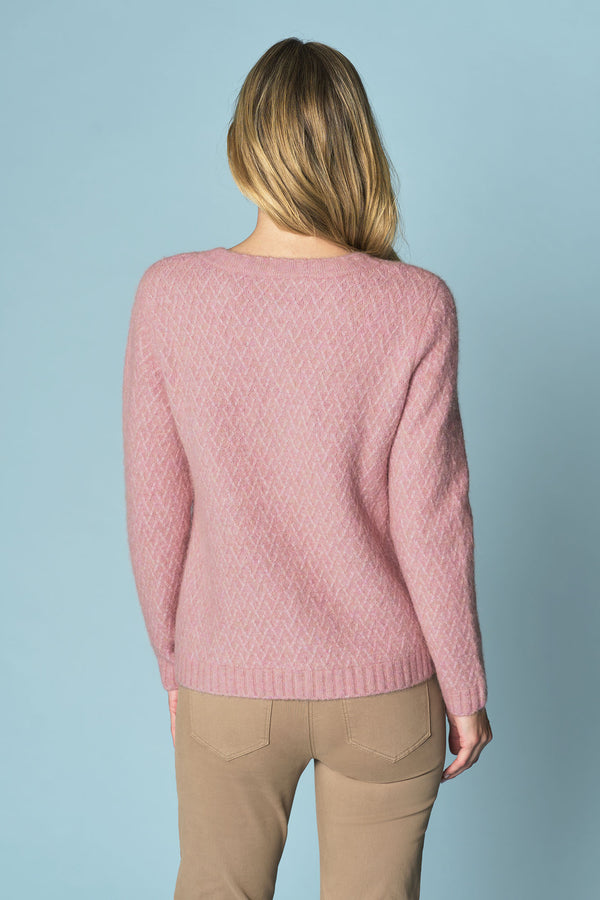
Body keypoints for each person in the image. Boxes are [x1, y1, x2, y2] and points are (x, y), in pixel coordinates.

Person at [122, 36, 493, 900]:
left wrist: (177, 667)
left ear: (243, 146)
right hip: (387, 689)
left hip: (228, 683)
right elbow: (433, 522)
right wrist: (465, 690)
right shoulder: (416, 303)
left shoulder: (169, 294)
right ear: (359, 150)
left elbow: (155, 512)